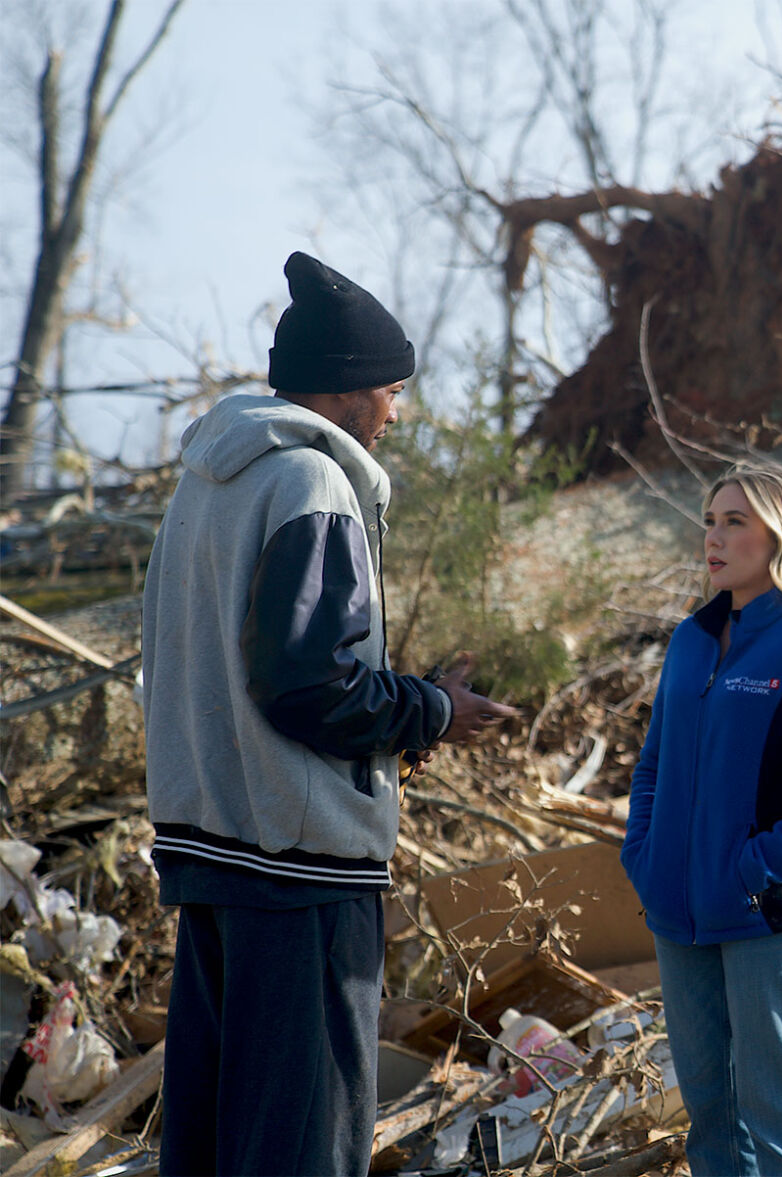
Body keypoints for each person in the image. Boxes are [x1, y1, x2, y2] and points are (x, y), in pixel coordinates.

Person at [141, 251, 518, 1176]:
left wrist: (396, 725)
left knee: (218, 1140)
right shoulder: (309, 484)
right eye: (391, 390)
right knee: (303, 1146)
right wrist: (432, 709)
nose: (395, 412)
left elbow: (251, 676)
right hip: (296, 873)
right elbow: (312, 685)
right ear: (347, 391)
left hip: (217, 852)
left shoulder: (205, 484)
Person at [620, 465, 782, 1177]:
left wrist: (755, 864)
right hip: (680, 916)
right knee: (710, 1120)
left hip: (769, 917)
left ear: (781, 532)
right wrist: (644, 855)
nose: (714, 535)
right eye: (710, 519)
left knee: (778, 1116)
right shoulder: (691, 639)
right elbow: (652, 767)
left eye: (735, 520)